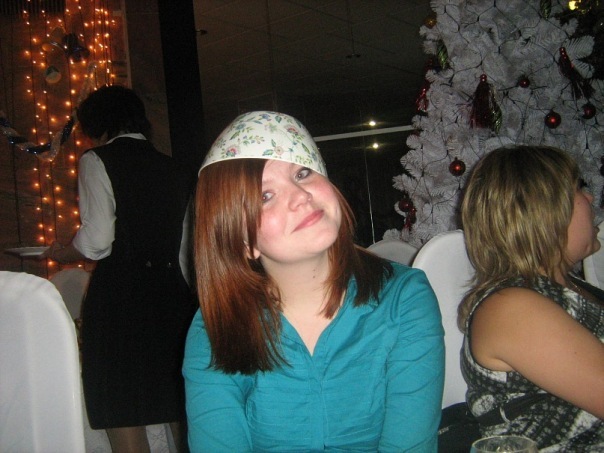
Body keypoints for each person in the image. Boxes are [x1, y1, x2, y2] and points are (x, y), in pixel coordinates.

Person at [183, 110, 445, 452]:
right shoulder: (216, 326)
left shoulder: (404, 298)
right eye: (265, 196)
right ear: (242, 241)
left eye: (302, 173)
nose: (300, 195)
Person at [42, 85, 197, 452]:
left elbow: (97, 241)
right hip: (172, 296)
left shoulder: (97, 159)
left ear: (98, 124)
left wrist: (65, 252)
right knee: (176, 404)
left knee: (121, 404)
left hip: (120, 296)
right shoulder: (177, 167)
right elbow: (184, 250)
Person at [459, 145, 604, 451]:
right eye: (578, 188)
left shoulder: (570, 289)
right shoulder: (511, 307)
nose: (590, 198)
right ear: (543, 210)